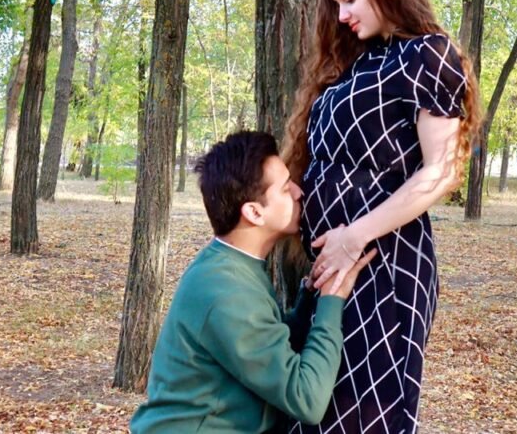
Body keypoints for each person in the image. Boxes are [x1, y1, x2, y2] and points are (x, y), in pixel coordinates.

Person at [282, 0, 481, 433]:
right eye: (336, 3)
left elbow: (442, 171)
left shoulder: (428, 56)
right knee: (314, 411)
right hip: (333, 269)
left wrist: (353, 237)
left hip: (385, 265)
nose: (342, 14)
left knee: (365, 418)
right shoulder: (359, 63)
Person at [130, 131, 377, 434]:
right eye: (286, 188)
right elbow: (307, 400)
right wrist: (332, 298)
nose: (299, 192)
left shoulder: (230, 266)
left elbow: (266, 345)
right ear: (254, 212)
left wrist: (309, 297)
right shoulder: (227, 291)